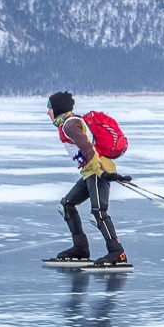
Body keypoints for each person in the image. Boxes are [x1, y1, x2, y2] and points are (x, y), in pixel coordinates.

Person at [46, 91, 128, 266]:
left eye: (50, 108)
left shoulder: (70, 124)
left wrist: (103, 172)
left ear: (58, 108)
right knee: (66, 205)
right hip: (91, 171)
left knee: (98, 213)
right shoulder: (67, 124)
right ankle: (81, 248)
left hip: (98, 169)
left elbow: (87, 149)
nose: (48, 112)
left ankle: (117, 252)